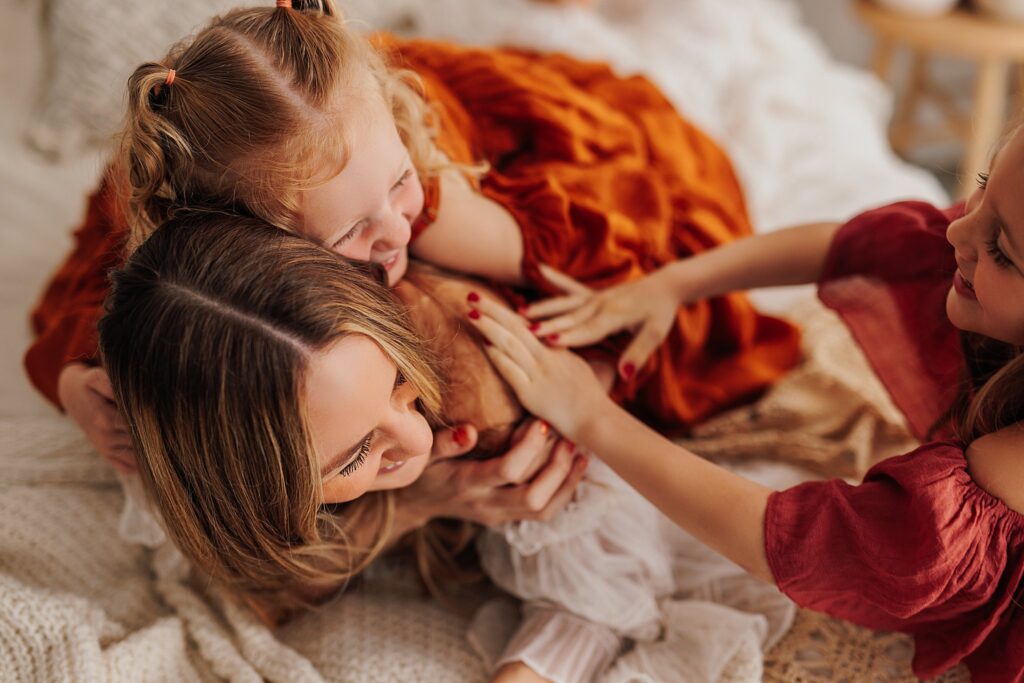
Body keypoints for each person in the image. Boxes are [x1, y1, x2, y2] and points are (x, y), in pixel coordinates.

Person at [26, 0, 800, 475]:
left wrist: (591, 376)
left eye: (392, 193)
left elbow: (608, 267)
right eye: (357, 231)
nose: (392, 228)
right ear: (244, 246)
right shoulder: (178, 193)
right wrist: (72, 377)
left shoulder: (422, 199)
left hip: (560, 141)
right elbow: (89, 283)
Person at [101, 213, 791, 683]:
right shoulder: (171, 421)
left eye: (404, 386)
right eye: (352, 456)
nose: (418, 438)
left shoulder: (461, 354)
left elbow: (597, 586)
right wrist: (409, 508)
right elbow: (256, 584)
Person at [466, 121, 1024, 682]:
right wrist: (671, 284)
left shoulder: (1008, 466)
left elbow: (803, 541)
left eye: (1001, 251)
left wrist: (590, 414)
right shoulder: (984, 234)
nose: (959, 232)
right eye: (981, 183)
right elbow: (863, 246)